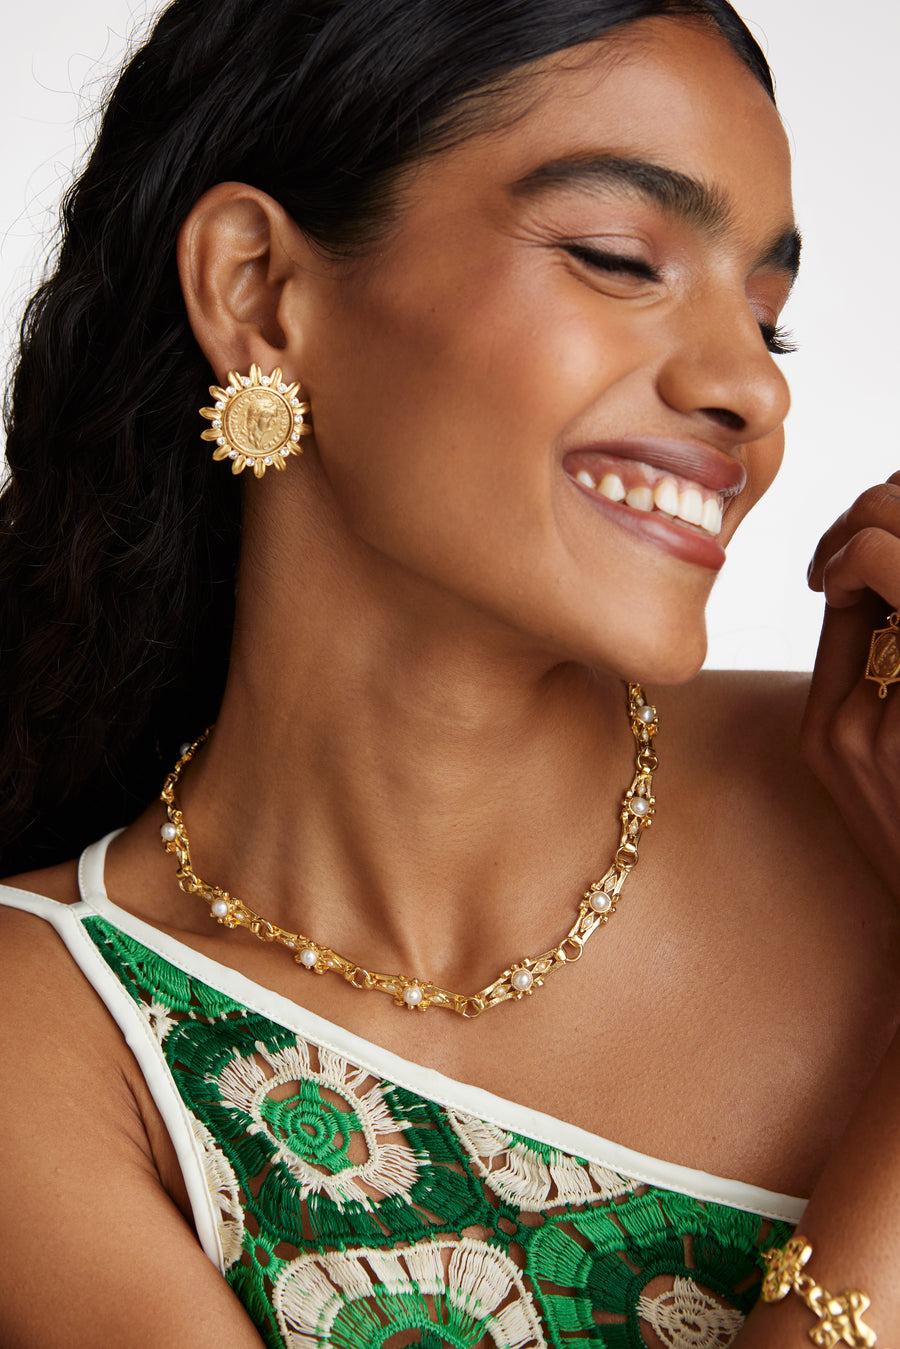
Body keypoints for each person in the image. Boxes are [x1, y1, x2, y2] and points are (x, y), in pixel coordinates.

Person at [1, 0, 898, 1344]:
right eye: (617, 257)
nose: (748, 391)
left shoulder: (874, 783)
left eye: (767, 323)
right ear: (261, 292)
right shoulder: (58, 1040)